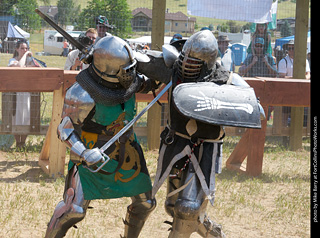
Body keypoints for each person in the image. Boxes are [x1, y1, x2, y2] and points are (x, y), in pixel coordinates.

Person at [135, 30, 264, 237]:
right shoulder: (173, 70)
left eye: (194, 62)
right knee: (172, 206)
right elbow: (139, 61)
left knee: (187, 209)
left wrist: (236, 101)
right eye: (186, 59)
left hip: (205, 147)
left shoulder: (226, 79)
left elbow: (254, 108)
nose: (187, 65)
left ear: (207, 63)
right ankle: (213, 232)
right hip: (175, 143)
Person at [45, 36, 158, 238]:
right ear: (111, 70)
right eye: (126, 70)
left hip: (127, 150)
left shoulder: (130, 81)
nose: (131, 73)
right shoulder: (81, 93)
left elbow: (148, 82)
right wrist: (85, 152)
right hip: (91, 152)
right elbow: (64, 130)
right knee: (73, 211)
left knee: (146, 203)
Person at [7, 39, 40, 148]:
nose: (24, 50)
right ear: (17, 49)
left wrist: (31, 61)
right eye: (22, 48)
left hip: (27, 93)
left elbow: (39, 68)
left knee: (26, 117)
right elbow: (19, 67)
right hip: (15, 94)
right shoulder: (13, 60)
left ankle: (23, 142)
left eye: (26, 48)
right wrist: (25, 55)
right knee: (16, 117)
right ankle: (18, 142)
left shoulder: (29, 61)